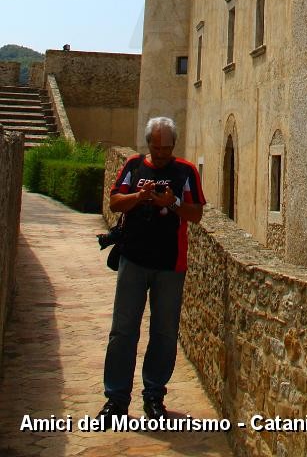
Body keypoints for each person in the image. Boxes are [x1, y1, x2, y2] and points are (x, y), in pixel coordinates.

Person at [97, 116, 205, 423]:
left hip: (171, 264)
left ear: (174, 145)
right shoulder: (133, 166)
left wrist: (171, 203)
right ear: (148, 144)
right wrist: (140, 196)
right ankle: (116, 400)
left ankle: (154, 397)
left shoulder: (186, 172)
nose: (160, 154)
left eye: (166, 148)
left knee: (164, 333)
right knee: (122, 331)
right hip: (133, 260)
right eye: (156, 148)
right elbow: (115, 201)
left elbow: (195, 214)